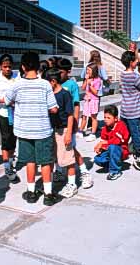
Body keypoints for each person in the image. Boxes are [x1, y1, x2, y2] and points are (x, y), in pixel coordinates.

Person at [3, 52, 59, 206]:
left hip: (24, 131)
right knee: (46, 162)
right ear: (38, 66)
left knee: (30, 161)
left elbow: (7, 100)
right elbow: (53, 108)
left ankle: (31, 191)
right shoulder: (45, 84)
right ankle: (48, 194)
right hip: (43, 130)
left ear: (22, 67)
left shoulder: (17, 84)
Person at [57, 59, 94, 189]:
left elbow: (76, 105)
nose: (58, 74)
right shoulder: (54, 83)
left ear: (68, 72)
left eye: (60, 72)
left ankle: (84, 171)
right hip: (57, 124)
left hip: (69, 122)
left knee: (71, 149)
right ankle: (60, 171)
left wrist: (75, 122)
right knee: (58, 148)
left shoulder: (71, 85)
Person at [45, 68, 78, 198]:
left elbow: (70, 115)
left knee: (68, 158)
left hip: (63, 129)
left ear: (53, 81)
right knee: (54, 156)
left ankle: (72, 184)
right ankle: (57, 177)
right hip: (51, 129)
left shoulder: (65, 94)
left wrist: (69, 133)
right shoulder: (49, 94)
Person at [0, 54, 19, 182]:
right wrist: (2, 100)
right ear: (0, 66)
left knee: (13, 138)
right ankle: (6, 165)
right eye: (5, 67)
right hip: (3, 112)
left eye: (9, 67)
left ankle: (11, 161)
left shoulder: (16, 77)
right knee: (6, 138)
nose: (7, 69)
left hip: (15, 112)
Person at [119, 51, 140, 170]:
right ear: (132, 63)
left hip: (125, 110)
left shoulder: (123, 74)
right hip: (134, 112)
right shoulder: (135, 76)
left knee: (124, 135)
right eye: (136, 60)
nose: (138, 61)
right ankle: (139, 158)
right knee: (138, 136)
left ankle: (122, 153)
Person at [93, 105, 130, 181]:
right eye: (105, 117)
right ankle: (113, 164)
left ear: (116, 118)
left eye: (108, 118)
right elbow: (103, 142)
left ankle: (115, 171)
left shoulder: (121, 125)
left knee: (113, 147)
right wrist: (100, 148)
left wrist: (104, 143)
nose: (106, 120)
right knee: (97, 159)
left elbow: (119, 140)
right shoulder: (104, 129)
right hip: (110, 150)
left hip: (121, 151)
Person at [81, 64, 102, 142]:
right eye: (87, 70)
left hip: (94, 100)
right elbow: (83, 88)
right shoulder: (87, 78)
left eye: (89, 70)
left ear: (94, 71)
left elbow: (96, 92)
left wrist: (90, 84)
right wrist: (86, 81)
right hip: (87, 99)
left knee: (93, 117)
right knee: (84, 115)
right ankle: (81, 131)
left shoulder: (97, 80)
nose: (87, 71)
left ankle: (93, 134)